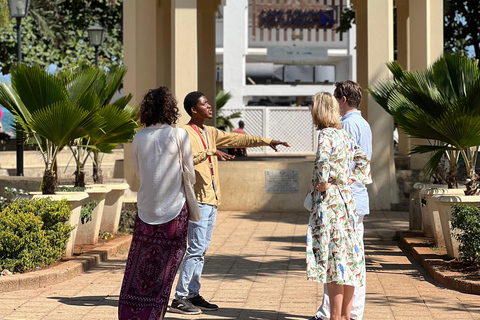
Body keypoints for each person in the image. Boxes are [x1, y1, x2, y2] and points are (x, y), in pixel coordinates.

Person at [170, 91, 290, 315]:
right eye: (204, 104)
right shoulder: (183, 132)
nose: (209, 106)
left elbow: (238, 139)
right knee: (195, 249)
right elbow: (183, 160)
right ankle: (180, 297)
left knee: (201, 250)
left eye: (208, 103)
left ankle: (193, 294)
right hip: (198, 201)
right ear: (193, 110)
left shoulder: (210, 132)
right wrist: (209, 152)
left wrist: (267, 141)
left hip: (212, 200)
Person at [118, 86, 197, 319]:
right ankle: (155, 313)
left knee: (140, 264)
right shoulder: (179, 134)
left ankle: (131, 313)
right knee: (166, 266)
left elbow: (140, 172)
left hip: (145, 207)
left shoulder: (138, 137)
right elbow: (190, 174)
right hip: (175, 207)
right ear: (170, 108)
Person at [306, 92, 372, 320]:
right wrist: (350, 178)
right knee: (348, 261)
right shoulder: (343, 135)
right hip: (347, 203)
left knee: (333, 263)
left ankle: (335, 317)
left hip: (330, 205)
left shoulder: (325, 135)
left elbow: (324, 163)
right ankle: (345, 316)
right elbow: (363, 159)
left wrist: (323, 183)